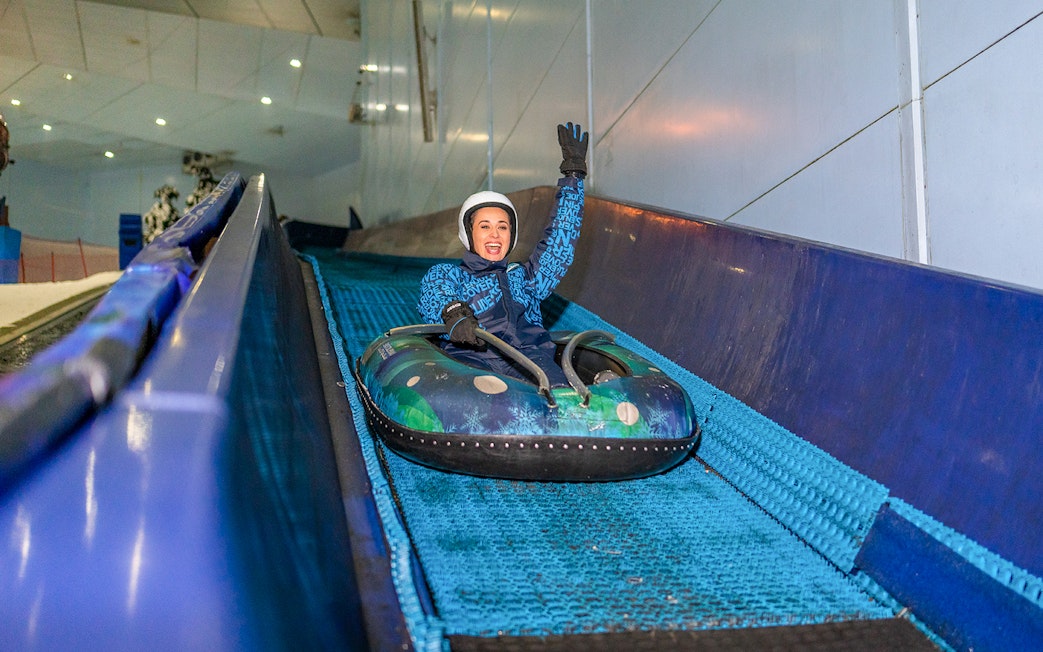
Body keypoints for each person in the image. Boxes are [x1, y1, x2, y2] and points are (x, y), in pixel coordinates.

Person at [417, 121, 589, 387]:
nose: (495, 235)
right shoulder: (450, 275)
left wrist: (573, 178)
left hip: (530, 359)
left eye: (502, 227)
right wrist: (453, 313)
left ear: (511, 235)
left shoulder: (527, 279)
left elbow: (560, 242)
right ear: (469, 234)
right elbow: (436, 294)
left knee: (559, 397)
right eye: (484, 227)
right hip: (473, 357)